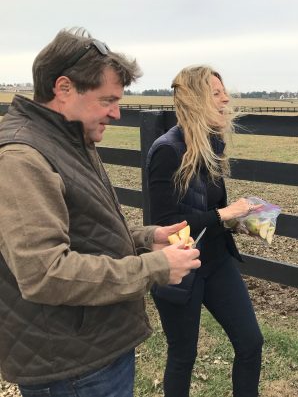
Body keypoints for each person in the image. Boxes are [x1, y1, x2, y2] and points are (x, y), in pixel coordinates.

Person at [0, 28, 201, 397]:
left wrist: (145, 238)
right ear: (63, 89)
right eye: (107, 99)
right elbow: (45, 273)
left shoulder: (70, 137)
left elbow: (81, 228)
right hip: (71, 368)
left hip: (93, 349)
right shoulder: (22, 158)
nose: (117, 112)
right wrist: (155, 267)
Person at [146, 65, 264, 397]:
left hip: (216, 262)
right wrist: (224, 212)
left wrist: (237, 222)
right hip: (178, 268)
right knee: (183, 356)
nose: (226, 98)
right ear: (196, 100)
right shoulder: (166, 152)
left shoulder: (211, 146)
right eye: (216, 92)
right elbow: (166, 223)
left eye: (223, 91)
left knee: (251, 342)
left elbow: (206, 211)